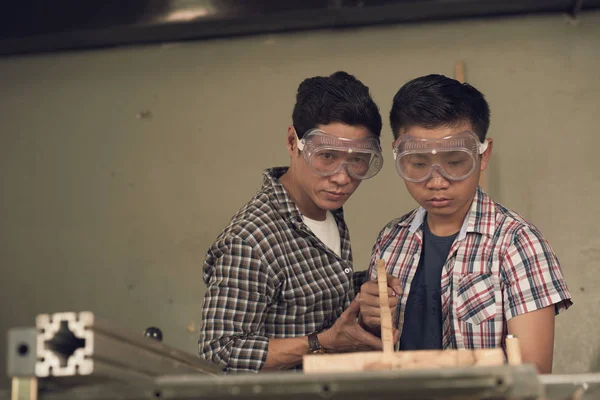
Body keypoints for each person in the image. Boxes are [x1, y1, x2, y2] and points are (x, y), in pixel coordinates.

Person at [358, 74, 572, 374]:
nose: (436, 181)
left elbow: (532, 375)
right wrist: (369, 317)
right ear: (399, 154)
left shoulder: (517, 243)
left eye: (455, 162)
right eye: (418, 164)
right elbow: (372, 357)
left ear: (483, 155)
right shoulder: (391, 241)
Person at [199, 71, 392, 373]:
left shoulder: (326, 208)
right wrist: (322, 341)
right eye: (326, 156)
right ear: (293, 142)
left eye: (357, 160)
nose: (342, 178)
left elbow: (314, 297)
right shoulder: (251, 241)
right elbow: (218, 354)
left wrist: (366, 289)